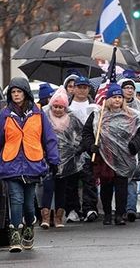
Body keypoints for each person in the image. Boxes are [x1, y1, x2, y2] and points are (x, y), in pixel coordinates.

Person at [0, 77, 59, 252]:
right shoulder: (4, 114)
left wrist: (54, 160)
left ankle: (29, 226)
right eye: (13, 92)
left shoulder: (38, 113)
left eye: (19, 91)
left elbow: (49, 138)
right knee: (16, 200)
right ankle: (15, 235)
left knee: (28, 204)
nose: (16, 95)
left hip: (33, 163)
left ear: (26, 93)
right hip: (11, 163)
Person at [82, 83, 140, 226]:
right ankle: (107, 214)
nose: (117, 100)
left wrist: (134, 145)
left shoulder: (131, 115)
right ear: (108, 99)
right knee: (106, 185)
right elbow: (86, 133)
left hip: (125, 155)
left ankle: (119, 214)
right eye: (114, 97)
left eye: (119, 97)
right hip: (106, 156)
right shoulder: (98, 115)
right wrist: (91, 146)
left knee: (121, 186)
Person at [41, 87, 84, 229]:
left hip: (66, 161)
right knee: (48, 187)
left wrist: (76, 148)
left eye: (61, 107)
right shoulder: (45, 117)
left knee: (61, 189)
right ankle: (46, 217)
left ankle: (58, 218)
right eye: (55, 106)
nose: (58, 109)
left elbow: (80, 135)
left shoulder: (72, 119)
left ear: (65, 108)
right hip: (48, 159)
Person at [66, 76, 98, 223]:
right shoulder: (67, 106)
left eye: (85, 87)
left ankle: (90, 208)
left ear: (89, 89)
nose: (81, 90)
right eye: (79, 87)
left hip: (89, 148)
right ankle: (73, 210)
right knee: (71, 181)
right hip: (71, 149)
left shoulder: (95, 107)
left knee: (89, 179)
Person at [120, 79, 140, 223]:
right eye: (126, 87)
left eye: (131, 88)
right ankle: (120, 210)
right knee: (120, 180)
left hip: (135, 147)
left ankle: (130, 209)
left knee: (132, 180)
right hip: (119, 148)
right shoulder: (116, 104)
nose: (129, 90)